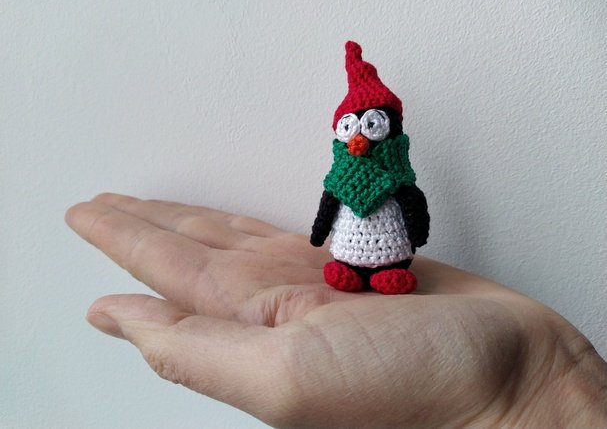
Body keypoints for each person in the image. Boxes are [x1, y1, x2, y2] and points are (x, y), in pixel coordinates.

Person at [66, 193, 607, 428]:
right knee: (345, 265)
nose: (360, 137)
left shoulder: (395, 179)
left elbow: (414, 211)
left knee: (388, 268)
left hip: (393, 259)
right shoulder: (342, 178)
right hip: (344, 257)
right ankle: (355, 270)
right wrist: (545, 391)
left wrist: (533, 389)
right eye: (352, 127)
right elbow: (328, 211)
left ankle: (382, 273)